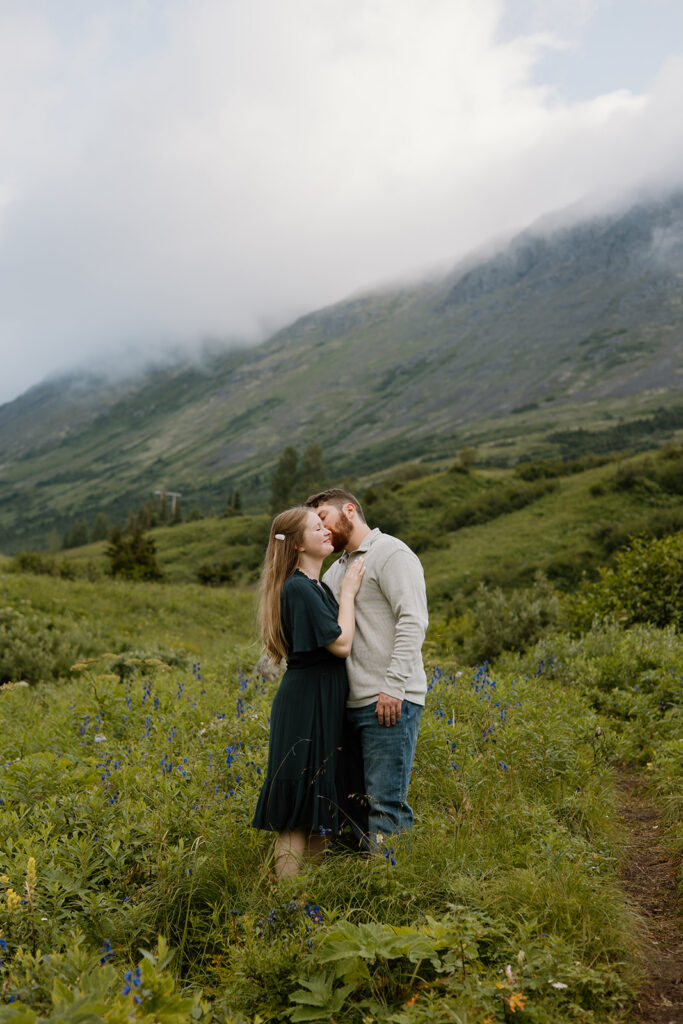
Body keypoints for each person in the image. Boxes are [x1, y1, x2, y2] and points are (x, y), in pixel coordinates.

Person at [305, 488, 428, 849]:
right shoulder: (335, 570)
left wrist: (393, 687)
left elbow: (413, 621)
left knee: (385, 804)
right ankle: (362, 885)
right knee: (354, 807)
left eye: (323, 517)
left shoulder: (391, 553)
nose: (321, 527)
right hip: (349, 704)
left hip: (388, 701)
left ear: (349, 510)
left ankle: (392, 889)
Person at [251, 506, 365, 878]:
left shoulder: (312, 585)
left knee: (320, 800)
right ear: (298, 545)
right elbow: (341, 645)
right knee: (297, 808)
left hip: (322, 698)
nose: (326, 532)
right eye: (316, 529)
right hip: (305, 702)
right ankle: (286, 905)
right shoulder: (299, 587)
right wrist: (348, 593)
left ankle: (305, 896)